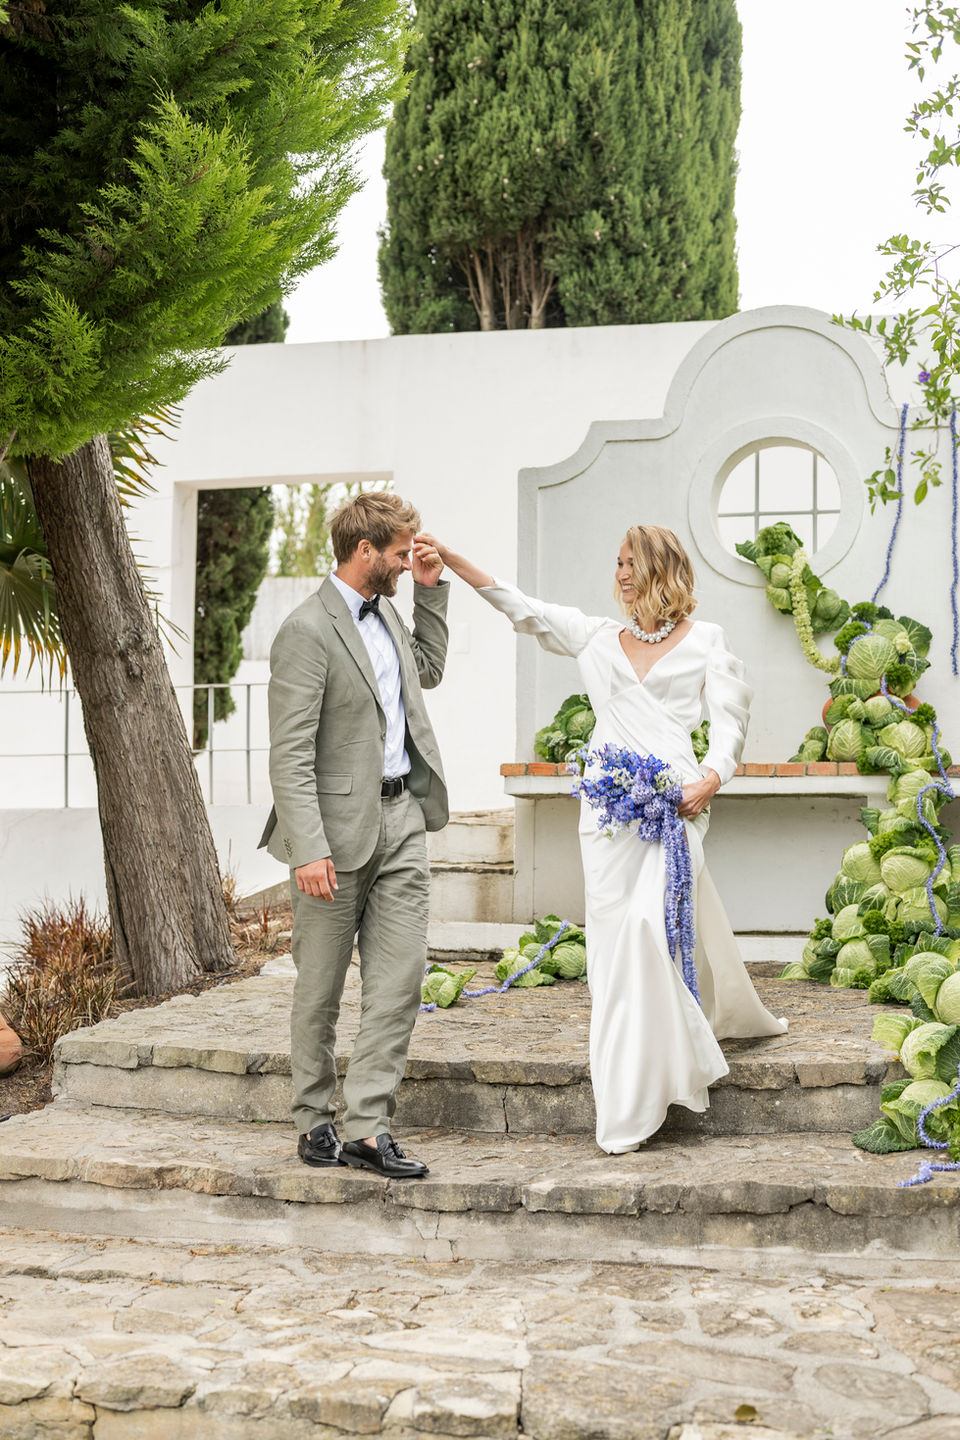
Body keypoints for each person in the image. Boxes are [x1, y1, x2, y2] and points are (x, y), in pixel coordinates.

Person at [413, 524, 786, 1153]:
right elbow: (517, 603)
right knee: (617, 950)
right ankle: (628, 1084)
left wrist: (714, 777)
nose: (620, 573)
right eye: (616, 562)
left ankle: (652, 1085)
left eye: (631, 562)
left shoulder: (707, 641)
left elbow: (731, 718)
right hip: (608, 817)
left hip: (676, 803)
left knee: (650, 927)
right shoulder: (594, 636)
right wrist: (448, 558)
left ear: (663, 568)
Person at [260, 493, 448, 1178]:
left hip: (402, 819)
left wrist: (430, 594)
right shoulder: (305, 630)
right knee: (320, 986)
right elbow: (289, 752)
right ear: (364, 551)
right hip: (332, 835)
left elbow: (425, 672)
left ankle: (368, 1127)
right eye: (401, 553)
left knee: (399, 982)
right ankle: (313, 1117)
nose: (407, 560)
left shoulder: (391, 611)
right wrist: (307, 845)